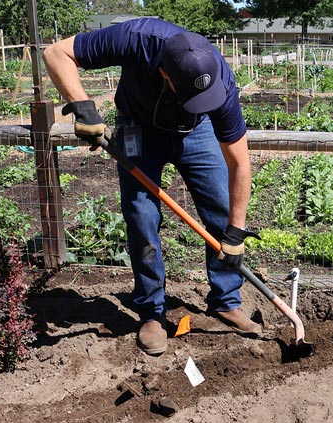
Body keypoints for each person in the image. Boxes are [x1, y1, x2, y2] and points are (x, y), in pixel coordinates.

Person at [43, 17, 261, 356]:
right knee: (141, 218)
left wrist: (235, 231)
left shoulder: (221, 83)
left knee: (221, 210)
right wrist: (83, 108)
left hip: (196, 133)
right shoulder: (136, 38)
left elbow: (239, 163)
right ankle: (151, 312)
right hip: (139, 128)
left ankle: (226, 300)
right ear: (164, 74)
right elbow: (56, 53)